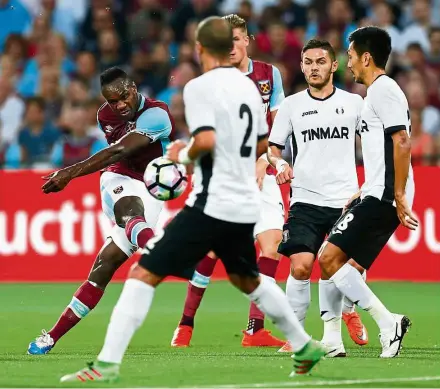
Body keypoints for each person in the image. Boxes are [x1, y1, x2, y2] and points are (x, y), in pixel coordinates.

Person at [59, 16, 326, 383]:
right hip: (246, 197)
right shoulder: (252, 89)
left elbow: (205, 142)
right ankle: (304, 344)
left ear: (201, 49)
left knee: (142, 273)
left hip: (213, 200)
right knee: (248, 278)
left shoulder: (200, 88)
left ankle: (105, 364)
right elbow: (263, 143)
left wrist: (180, 156)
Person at [27, 67, 174, 354]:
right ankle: (159, 251)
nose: (118, 106)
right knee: (130, 211)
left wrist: (70, 172)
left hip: (151, 187)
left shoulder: (157, 114)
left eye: (122, 97)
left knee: (104, 267)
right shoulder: (104, 116)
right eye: (111, 101)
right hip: (118, 178)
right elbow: (117, 159)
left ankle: (53, 336)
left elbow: (121, 149)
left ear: (133, 88)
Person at [171, 13, 287, 349]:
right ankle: (186, 324)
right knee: (210, 249)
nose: (232, 46)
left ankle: (255, 329)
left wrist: (266, 160)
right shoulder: (213, 81)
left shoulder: (268, 75)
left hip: (261, 172)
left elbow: (276, 129)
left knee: (272, 244)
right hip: (222, 173)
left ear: (247, 40)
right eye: (226, 41)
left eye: (237, 39)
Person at [311, 26, 415, 358]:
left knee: (327, 257)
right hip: (377, 191)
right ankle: (332, 339)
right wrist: (364, 190)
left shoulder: (383, 90)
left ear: (367, 57)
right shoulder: (379, 93)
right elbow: (384, 148)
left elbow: (401, 141)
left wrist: (396, 194)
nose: (348, 63)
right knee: (343, 267)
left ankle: (388, 323)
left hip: (384, 195)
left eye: (352, 56)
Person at [267, 39, 368, 355]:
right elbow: (273, 149)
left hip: (345, 200)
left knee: (346, 267)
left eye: (320, 61)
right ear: (301, 65)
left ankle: (347, 312)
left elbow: (375, 143)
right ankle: (295, 335)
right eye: (308, 62)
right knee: (300, 266)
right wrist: (280, 162)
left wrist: (371, 184)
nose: (314, 67)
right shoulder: (292, 106)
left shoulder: (354, 103)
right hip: (306, 200)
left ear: (334, 65)